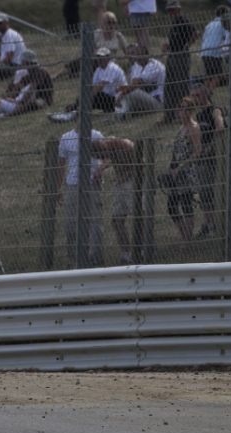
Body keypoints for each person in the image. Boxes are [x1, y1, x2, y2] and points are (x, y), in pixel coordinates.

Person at [58, 127, 106, 268]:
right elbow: (61, 164)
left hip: (93, 184)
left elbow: (107, 155)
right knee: (70, 222)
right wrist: (57, 187)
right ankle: (73, 260)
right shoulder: (66, 137)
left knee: (96, 221)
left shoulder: (97, 135)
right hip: (73, 184)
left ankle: (97, 258)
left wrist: (100, 169)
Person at [0, 49, 52, 121]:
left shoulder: (40, 72)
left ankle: (7, 115)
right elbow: (19, 86)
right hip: (30, 98)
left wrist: (19, 101)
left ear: (27, 62)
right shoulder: (29, 72)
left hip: (42, 99)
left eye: (23, 61)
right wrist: (9, 95)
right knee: (5, 98)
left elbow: (31, 90)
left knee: (28, 101)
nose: (21, 63)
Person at [161, 95, 201, 247]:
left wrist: (181, 167)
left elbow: (197, 151)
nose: (183, 111)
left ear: (191, 110)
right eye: (181, 108)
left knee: (185, 205)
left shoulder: (193, 128)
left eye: (186, 108)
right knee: (171, 207)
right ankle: (185, 235)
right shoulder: (181, 128)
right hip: (176, 171)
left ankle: (187, 240)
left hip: (186, 172)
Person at [49, 47, 126, 122]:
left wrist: (81, 100)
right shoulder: (99, 70)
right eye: (98, 57)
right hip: (110, 100)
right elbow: (90, 87)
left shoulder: (112, 68)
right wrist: (76, 101)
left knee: (97, 95)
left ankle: (74, 114)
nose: (99, 60)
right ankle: (73, 111)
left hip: (120, 100)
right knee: (92, 95)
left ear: (108, 58)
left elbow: (98, 87)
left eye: (102, 57)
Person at [93, 136, 136, 264]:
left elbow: (139, 167)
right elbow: (109, 158)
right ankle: (127, 253)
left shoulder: (125, 145)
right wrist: (102, 168)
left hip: (134, 182)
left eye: (102, 156)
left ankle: (143, 251)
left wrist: (121, 177)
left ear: (105, 148)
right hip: (120, 183)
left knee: (140, 216)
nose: (102, 160)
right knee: (116, 220)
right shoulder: (108, 146)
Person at [191, 84, 224, 240]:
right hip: (201, 159)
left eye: (197, 95)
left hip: (212, 159)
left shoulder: (214, 110)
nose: (195, 99)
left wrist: (209, 146)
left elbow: (220, 127)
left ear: (206, 95)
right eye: (193, 95)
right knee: (204, 194)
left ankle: (212, 225)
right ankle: (208, 223)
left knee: (209, 193)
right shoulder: (199, 115)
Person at [54, 11, 128, 81]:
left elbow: (126, 50)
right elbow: (88, 47)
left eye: (113, 23)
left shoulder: (118, 36)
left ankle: (78, 74)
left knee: (92, 69)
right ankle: (56, 76)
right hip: (95, 58)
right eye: (109, 22)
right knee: (79, 62)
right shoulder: (97, 34)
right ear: (103, 23)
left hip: (108, 62)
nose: (111, 25)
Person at [161, 0, 197, 124]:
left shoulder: (183, 22)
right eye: (169, 10)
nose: (170, 13)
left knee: (181, 86)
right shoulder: (174, 24)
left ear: (179, 9)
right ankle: (169, 116)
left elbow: (196, 32)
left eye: (172, 10)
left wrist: (187, 46)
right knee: (169, 87)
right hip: (172, 56)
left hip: (181, 57)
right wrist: (168, 46)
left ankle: (185, 116)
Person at [114, 44, 164, 119]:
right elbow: (135, 83)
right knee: (122, 93)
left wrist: (123, 92)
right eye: (137, 56)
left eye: (141, 55)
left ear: (147, 54)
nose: (138, 58)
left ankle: (123, 114)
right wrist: (122, 89)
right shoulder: (139, 66)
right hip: (148, 99)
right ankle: (121, 115)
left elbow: (137, 84)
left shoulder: (154, 65)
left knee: (130, 92)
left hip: (158, 103)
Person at [200, 6, 229, 89]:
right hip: (215, 52)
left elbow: (203, 38)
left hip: (204, 51)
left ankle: (205, 92)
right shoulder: (223, 24)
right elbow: (226, 36)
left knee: (209, 74)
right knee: (218, 74)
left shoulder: (209, 24)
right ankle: (208, 93)